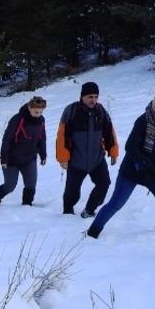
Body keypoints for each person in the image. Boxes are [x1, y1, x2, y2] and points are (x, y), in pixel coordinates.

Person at [86, 88, 155, 239]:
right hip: (131, 171)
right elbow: (130, 147)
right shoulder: (142, 122)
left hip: (151, 170)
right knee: (116, 204)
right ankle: (92, 232)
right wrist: (144, 163)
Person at [55, 82, 119, 217]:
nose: (93, 100)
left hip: (97, 159)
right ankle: (67, 212)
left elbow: (109, 132)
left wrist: (113, 151)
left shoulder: (100, 111)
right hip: (76, 160)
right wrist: (63, 157)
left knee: (104, 184)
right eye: (90, 97)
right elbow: (62, 136)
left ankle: (89, 210)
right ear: (82, 96)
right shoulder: (71, 111)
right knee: (72, 192)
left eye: (96, 97)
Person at [0, 96, 48, 210]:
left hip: (29, 159)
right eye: (36, 112)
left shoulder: (41, 121)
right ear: (29, 108)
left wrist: (43, 155)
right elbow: (7, 139)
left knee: (31, 184)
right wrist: (4, 159)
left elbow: (42, 138)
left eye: (41, 112)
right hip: (12, 159)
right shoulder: (17, 119)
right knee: (10, 185)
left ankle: (27, 206)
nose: (38, 114)